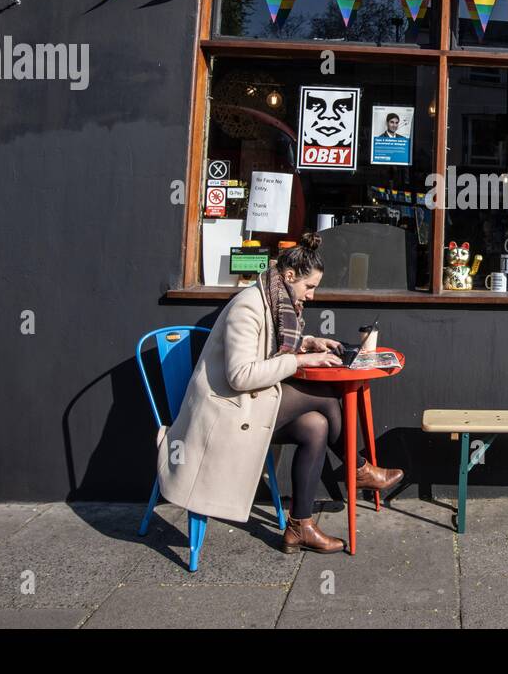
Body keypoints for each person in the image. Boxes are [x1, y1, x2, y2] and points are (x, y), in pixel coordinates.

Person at [156, 232, 404, 555]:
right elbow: (240, 375)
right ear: (289, 277)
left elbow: (270, 346)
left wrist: (308, 342)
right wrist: (300, 359)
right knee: (328, 398)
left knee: (317, 425)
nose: (312, 295)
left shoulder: (272, 298)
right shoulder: (247, 308)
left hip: (248, 404)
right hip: (225, 413)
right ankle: (358, 468)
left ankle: (300, 525)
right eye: (309, 287)